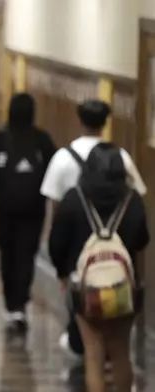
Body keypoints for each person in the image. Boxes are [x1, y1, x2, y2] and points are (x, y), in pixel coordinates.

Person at [40, 99, 147, 357]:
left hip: (76, 244)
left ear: (79, 120)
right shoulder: (121, 157)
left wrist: (61, 262)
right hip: (118, 247)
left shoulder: (63, 157)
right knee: (119, 336)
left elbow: (54, 206)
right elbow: (138, 196)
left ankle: (85, 352)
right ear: (106, 122)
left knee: (85, 314)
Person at [48, 143, 148, 392]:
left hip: (87, 290)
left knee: (93, 353)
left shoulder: (74, 198)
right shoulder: (132, 199)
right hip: (123, 288)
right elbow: (142, 239)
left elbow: (56, 242)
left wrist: (62, 272)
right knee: (120, 353)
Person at [0, 93, 56, 331]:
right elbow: (54, 175)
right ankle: (19, 305)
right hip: (33, 211)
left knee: (8, 255)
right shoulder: (42, 140)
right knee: (26, 256)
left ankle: (13, 304)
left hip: (4, 211)